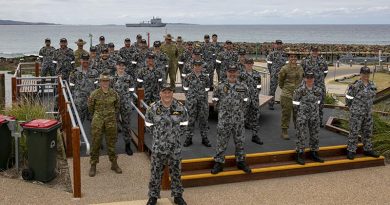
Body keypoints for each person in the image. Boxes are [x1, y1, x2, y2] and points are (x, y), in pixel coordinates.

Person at [145, 83, 189, 205]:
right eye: (164, 92)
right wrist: (159, 137)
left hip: (175, 147)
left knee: (176, 172)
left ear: (172, 93)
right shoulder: (153, 108)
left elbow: (185, 124)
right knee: (155, 172)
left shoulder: (180, 107)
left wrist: (174, 136)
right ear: (160, 94)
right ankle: (153, 196)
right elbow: (148, 125)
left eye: (169, 92)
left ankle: (177, 196)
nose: (167, 94)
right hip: (158, 147)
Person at [211, 63, 251, 175]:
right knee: (221, 141)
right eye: (230, 72)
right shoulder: (220, 86)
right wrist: (222, 111)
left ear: (237, 73)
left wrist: (240, 112)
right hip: (224, 118)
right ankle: (219, 162)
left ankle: (241, 161)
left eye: (234, 72)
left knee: (240, 141)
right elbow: (215, 99)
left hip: (238, 119)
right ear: (226, 73)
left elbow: (247, 101)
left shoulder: (243, 87)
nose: (232, 74)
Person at [88, 71, 122, 177]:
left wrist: (111, 115)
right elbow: (90, 107)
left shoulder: (114, 93)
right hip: (98, 121)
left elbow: (117, 106)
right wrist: (97, 116)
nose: (105, 83)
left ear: (109, 82)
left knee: (111, 143)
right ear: (100, 82)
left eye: (107, 81)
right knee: (95, 143)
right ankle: (93, 165)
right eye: (103, 81)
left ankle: (114, 163)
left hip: (111, 121)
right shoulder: (94, 94)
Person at [345, 66, 380, 160]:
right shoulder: (355, 85)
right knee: (354, 132)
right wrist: (353, 108)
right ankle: (351, 150)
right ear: (360, 74)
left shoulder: (372, 85)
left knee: (368, 132)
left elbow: (373, 98)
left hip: (368, 113)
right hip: (357, 113)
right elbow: (348, 98)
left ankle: (367, 149)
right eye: (364, 74)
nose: (366, 76)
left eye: (367, 74)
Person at [292, 71, 324, 165]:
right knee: (301, 135)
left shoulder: (318, 90)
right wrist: (300, 113)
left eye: (311, 78)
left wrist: (315, 111)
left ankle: (314, 153)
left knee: (315, 135)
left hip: (314, 115)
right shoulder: (299, 90)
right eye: (308, 78)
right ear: (305, 79)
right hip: (302, 115)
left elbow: (319, 102)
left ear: (314, 79)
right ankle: (299, 153)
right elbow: (295, 104)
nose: (310, 80)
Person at [182, 60, 212, 147]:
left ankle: (204, 138)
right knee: (190, 121)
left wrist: (202, 96)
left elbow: (207, 88)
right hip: (191, 103)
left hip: (202, 102)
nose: (198, 67)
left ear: (201, 66)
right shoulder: (188, 77)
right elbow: (185, 89)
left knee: (203, 121)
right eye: (196, 65)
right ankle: (188, 138)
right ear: (193, 66)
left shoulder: (206, 77)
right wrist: (191, 97)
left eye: (199, 65)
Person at [278, 51, 304, 140]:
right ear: (289, 58)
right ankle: (284, 131)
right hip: (287, 94)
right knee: (286, 113)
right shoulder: (284, 68)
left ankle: (298, 130)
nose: (293, 58)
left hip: (298, 95)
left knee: (298, 114)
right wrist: (286, 89)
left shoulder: (300, 68)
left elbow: (302, 80)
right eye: (291, 57)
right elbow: (280, 81)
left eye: (295, 57)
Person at [112, 59, 135, 156]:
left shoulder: (129, 77)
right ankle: (113, 147)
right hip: (114, 104)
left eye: (123, 65)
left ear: (125, 67)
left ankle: (127, 145)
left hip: (126, 104)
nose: (121, 67)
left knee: (126, 125)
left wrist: (130, 101)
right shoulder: (111, 77)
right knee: (114, 125)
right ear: (116, 66)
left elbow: (132, 90)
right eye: (119, 65)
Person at [301, 47, 328, 127]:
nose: (314, 52)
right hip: (308, 86)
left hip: (320, 86)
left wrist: (320, 79)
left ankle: (319, 121)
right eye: (313, 51)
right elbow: (302, 73)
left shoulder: (323, 61)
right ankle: (306, 121)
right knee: (307, 103)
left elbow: (325, 72)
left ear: (318, 52)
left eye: (316, 51)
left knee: (320, 104)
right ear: (310, 51)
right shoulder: (305, 61)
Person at [69, 53, 99, 123]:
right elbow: (71, 87)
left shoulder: (95, 72)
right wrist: (73, 99)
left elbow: (97, 87)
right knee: (78, 122)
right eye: (83, 59)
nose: (85, 61)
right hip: (79, 101)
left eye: (87, 59)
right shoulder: (74, 72)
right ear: (80, 60)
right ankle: (78, 134)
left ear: (89, 60)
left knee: (94, 122)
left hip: (91, 100)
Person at [240, 58, 263, 144]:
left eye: (250, 63)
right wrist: (244, 96)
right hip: (244, 100)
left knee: (255, 117)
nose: (249, 65)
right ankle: (240, 137)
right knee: (242, 118)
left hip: (254, 99)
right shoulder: (241, 75)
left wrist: (255, 94)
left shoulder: (257, 74)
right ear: (244, 64)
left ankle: (255, 135)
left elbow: (259, 86)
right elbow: (238, 88)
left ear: (252, 64)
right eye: (247, 63)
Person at [266, 40, 287, 110]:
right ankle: (271, 104)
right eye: (277, 44)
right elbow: (269, 64)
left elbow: (287, 64)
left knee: (285, 90)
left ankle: (285, 104)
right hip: (274, 75)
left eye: (280, 44)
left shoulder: (285, 54)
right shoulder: (271, 54)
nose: (278, 45)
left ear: (282, 45)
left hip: (283, 75)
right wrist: (272, 72)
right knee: (272, 90)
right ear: (275, 45)